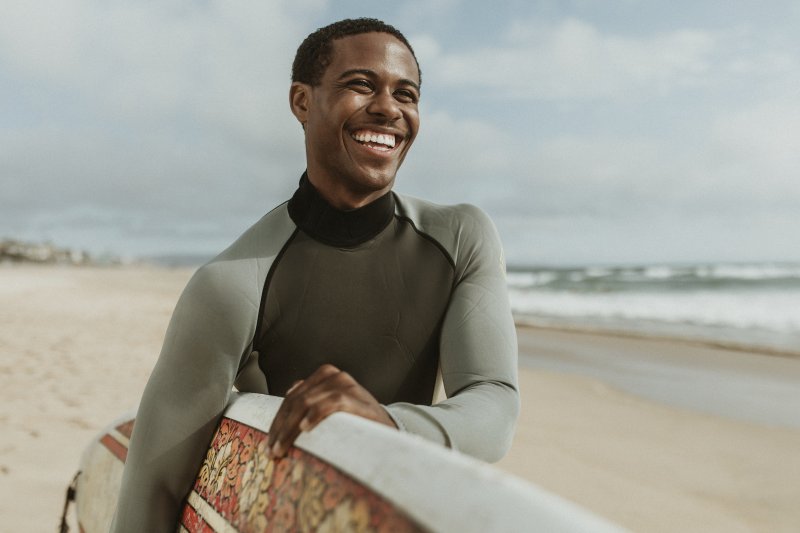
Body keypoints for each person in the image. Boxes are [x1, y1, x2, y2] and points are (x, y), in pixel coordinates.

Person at [111, 17, 519, 532]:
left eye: (407, 94)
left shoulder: (461, 237)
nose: (389, 109)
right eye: (361, 85)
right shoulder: (234, 282)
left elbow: (494, 406)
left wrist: (387, 422)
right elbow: (156, 485)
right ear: (302, 102)